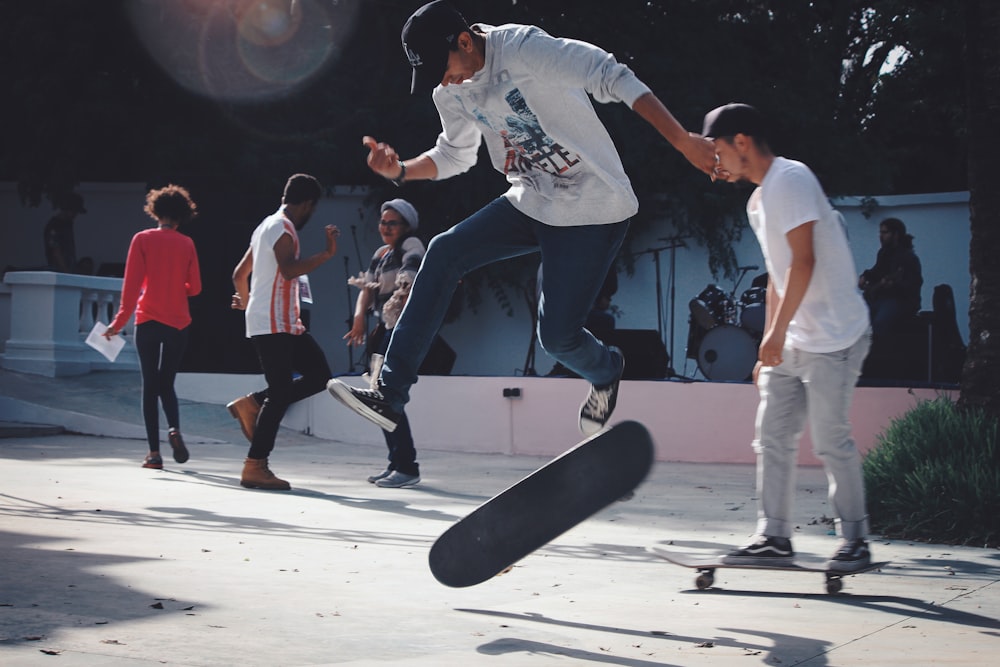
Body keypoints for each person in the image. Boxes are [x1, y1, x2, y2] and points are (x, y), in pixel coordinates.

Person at [327, 0, 716, 438]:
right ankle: (390, 394)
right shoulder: (450, 90)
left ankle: (606, 370)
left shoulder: (525, 49)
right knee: (444, 251)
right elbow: (454, 155)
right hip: (530, 200)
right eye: (435, 73)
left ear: (464, 40)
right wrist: (400, 170)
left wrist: (683, 141)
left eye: (446, 65)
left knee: (557, 338)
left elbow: (611, 74)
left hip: (595, 209)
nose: (446, 79)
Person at [704, 103, 873, 572]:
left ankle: (856, 540)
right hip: (795, 339)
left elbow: (805, 261)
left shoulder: (792, 180)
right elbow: (779, 273)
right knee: (772, 437)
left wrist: (776, 334)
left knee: (830, 441)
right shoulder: (757, 201)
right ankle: (773, 536)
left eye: (718, 149)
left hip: (837, 338)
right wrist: (769, 345)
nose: (716, 160)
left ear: (742, 142)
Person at [227, 174, 339, 491]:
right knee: (280, 393)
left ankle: (252, 404)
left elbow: (239, 275)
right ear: (306, 204)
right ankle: (255, 466)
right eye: (311, 209)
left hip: (279, 322)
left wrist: (249, 306)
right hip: (276, 324)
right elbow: (289, 269)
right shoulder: (283, 228)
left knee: (319, 376)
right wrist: (327, 254)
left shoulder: (265, 226)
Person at [104, 185, 202, 470]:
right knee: (167, 383)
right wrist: (175, 284)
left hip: (148, 320)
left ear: (155, 212)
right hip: (178, 323)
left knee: (150, 386)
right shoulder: (187, 244)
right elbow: (195, 288)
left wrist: (117, 324)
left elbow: (131, 288)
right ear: (183, 215)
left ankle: (154, 454)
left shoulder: (142, 240)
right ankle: (174, 429)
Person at [344, 199, 425, 488]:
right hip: (384, 329)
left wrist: (398, 301)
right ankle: (396, 463)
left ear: (406, 226)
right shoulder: (380, 254)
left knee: (389, 397)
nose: (386, 227)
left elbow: (410, 277)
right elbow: (366, 289)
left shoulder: (411, 245)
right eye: (383, 222)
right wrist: (358, 320)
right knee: (379, 398)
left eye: (393, 223)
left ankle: (407, 466)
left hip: (401, 330)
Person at [858, 217, 923, 338]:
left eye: (885, 232)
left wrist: (894, 285)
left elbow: (913, 284)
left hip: (902, 301)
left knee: (880, 323)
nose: (881, 236)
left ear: (896, 234)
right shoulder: (883, 253)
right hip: (882, 298)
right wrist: (864, 276)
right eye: (880, 232)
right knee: (857, 319)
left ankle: (881, 352)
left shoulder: (908, 258)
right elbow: (876, 271)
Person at [44, 192, 87, 273]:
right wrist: (66, 272)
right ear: (67, 209)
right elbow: (56, 252)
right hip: (59, 273)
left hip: (68, 270)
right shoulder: (54, 225)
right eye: (74, 211)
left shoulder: (67, 224)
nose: (75, 215)